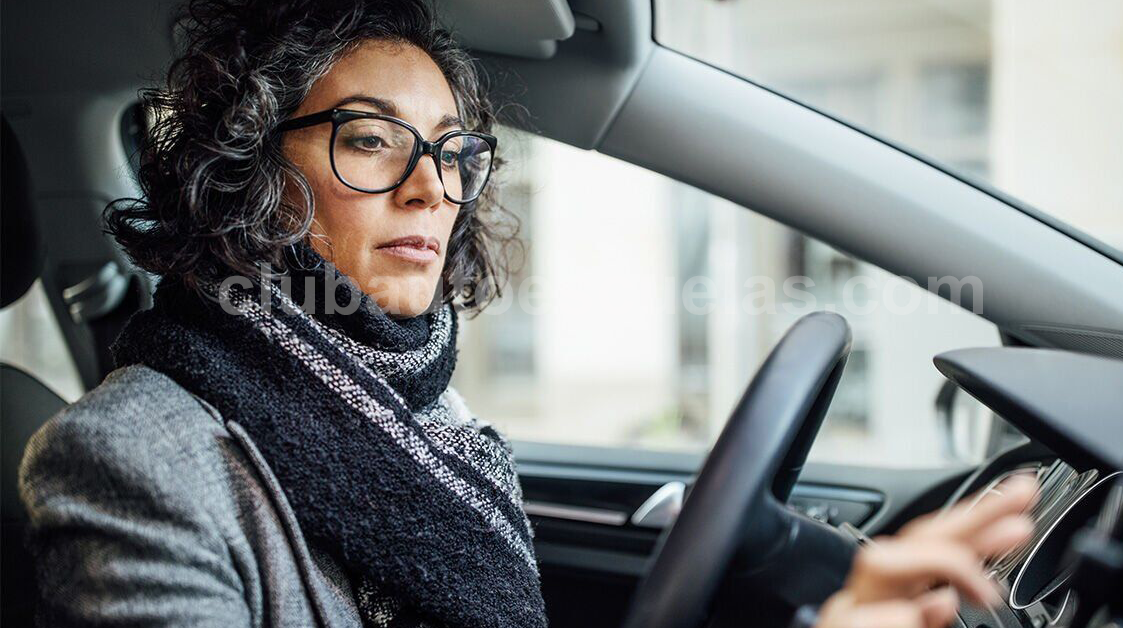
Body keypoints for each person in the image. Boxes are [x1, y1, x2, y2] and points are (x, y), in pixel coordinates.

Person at [17, 0, 1037, 626]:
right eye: (371, 140)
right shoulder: (128, 457)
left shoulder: (434, 418)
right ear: (247, 164)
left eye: (456, 152)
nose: (434, 190)